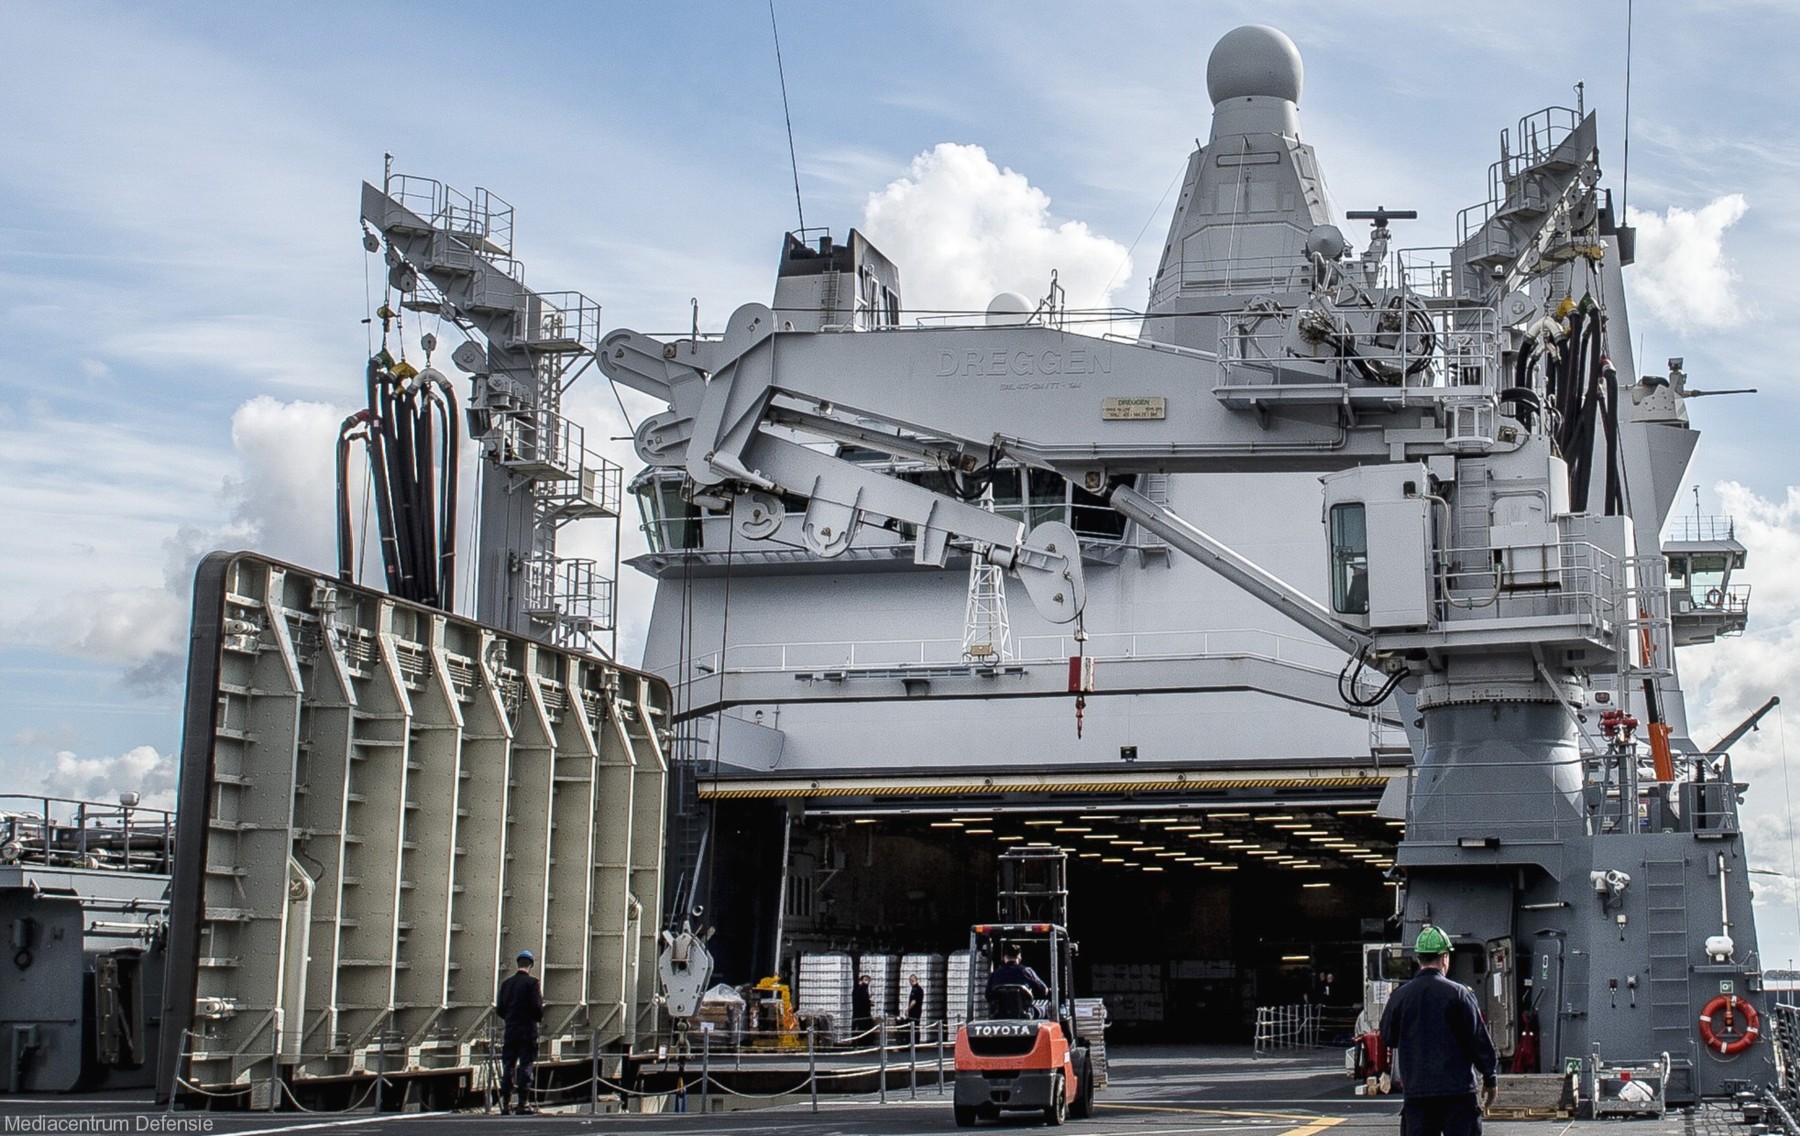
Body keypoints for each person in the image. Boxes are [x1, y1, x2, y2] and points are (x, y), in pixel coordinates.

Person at [1379, 926, 1499, 1136]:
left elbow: (1388, 1038)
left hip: (1417, 1093)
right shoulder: (1459, 994)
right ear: (1444, 958)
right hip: (1458, 1093)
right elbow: (1478, 1040)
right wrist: (1490, 1078)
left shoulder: (1400, 996)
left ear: (1419, 959)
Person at [495, 950, 544, 1115]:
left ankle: (506, 1103)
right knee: (526, 1066)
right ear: (530, 965)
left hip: (511, 1031)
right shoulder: (532, 983)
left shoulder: (506, 984)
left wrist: (510, 1018)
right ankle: (522, 1103)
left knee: (508, 1065)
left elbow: (500, 1009)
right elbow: (537, 1009)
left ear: (518, 963)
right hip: (528, 1032)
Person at [986, 944, 1048, 1018]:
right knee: (1045, 1006)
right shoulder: (1026, 971)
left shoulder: (995, 974)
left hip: (999, 1014)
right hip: (1024, 1014)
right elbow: (1044, 991)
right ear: (1019, 958)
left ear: (1005, 958)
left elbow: (988, 996)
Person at [852, 973, 875, 1039]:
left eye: (868, 980)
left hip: (864, 1013)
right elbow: (861, 1000)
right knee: (862, 1028)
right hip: (860, 1013)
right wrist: (868, 1002)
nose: (866, 982)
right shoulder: (861, 988)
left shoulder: (864, 989)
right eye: (865, 980)